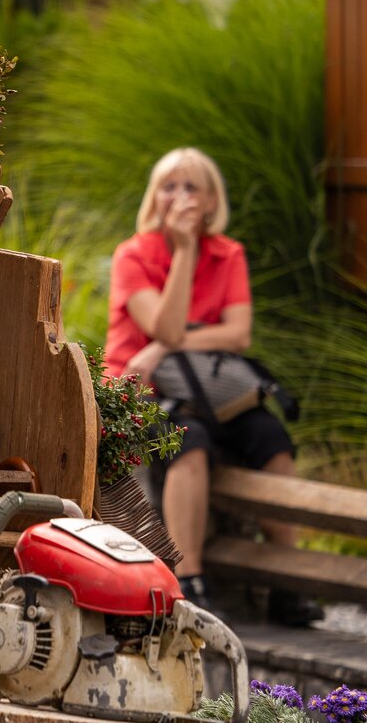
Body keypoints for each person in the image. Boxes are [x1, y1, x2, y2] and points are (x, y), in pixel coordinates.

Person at [105, 147, 319, 626]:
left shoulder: (229, 254)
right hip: (145, 393)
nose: (179, 196)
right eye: (169, 186)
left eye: (191, 187)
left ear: (210, 200)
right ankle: (190, 580)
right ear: (154, 197)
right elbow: (166, 324)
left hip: (209, 389)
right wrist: (183, 253)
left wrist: (165, 344)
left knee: (271, 437)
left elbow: (238, 334)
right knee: (189, 442)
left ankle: (288, 578)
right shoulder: (133, 255)